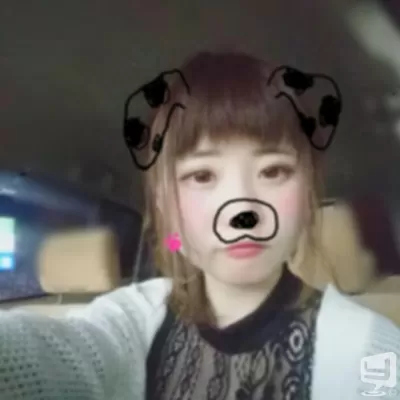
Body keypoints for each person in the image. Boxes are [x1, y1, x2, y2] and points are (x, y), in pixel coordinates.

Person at [0, 51, 399, 400]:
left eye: (273, 171)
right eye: (202, 175)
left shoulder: (372, 348)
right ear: (165, 204)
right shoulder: (134, 317)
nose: (243, 209)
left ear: (308, 191)